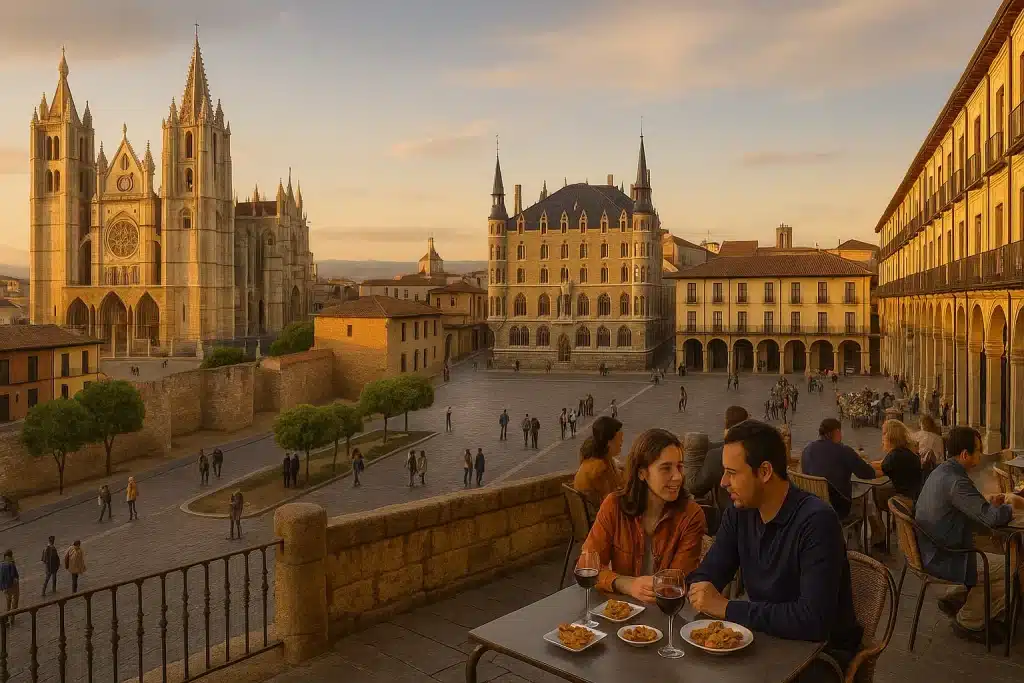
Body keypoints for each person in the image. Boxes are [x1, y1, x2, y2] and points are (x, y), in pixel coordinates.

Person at [688, 420, 863, 676]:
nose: (723, 482)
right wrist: (692, 588)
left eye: (732, 472)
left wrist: (727, 607)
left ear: (765, 472)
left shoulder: (817, 521)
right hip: (765, 642)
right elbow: (710, 573)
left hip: (820, 655)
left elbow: (812, 620)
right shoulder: (740, 512)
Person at [914, 426, 1024, 642]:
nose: (981, 455)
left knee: (996, 546)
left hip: (937, 546)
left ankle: (961, 595)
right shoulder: (956, 481)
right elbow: (991, 518)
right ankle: (969, 620)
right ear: (965, 454)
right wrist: (1013, 505)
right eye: (978, 450)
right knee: (1010, 566)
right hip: (945, 555)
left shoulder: (943, 471)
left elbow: (975, 509)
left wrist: (989, 504)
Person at [580, 428, 707, 603]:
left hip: (666, 613)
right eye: (666, 468)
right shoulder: (614, 505)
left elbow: (677, 583)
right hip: (623, 611)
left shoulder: (691, 516)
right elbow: (586, 565)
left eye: (679, 466)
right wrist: (627, 584)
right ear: (642, 473)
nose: (677, 477)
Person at [801, 418, 884, 546]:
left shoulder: (807, 450)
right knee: (866, 496)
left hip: (811, 507)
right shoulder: (843, 450)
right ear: (837, 432)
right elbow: (867, 473)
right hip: (838, 509)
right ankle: (875, 536)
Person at [687, 406, 749, 512]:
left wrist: (693, 451)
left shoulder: (716, 456)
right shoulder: (757, 446)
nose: (724, 482)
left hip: (729, 513)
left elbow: (695, 486)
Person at [573, 417, 625, 509]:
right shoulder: (599, 468)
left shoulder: (599, 458)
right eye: (619, 439)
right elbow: (609, 502)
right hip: (600, 515)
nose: (622, 442)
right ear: (609, 442)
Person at [872, 419, 923, 509]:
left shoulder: (895, 456)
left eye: (884, 434)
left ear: (891, 436)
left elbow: (878, 473)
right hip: (916, 493)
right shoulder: (903, 451)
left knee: (874, 495)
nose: (882, 437)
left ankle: (880, 520)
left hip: (907, 498)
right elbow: (882, 463)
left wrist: (859, 466)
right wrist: (866, 463)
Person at [0, 549, 19, 621]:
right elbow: (14, 576)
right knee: (15, 600)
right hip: (12, 586)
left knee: (8, 601)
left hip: (5, 587)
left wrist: (2, 587)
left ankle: (7, 618)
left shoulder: (1, 564)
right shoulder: (11, 564)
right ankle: (12, 617)